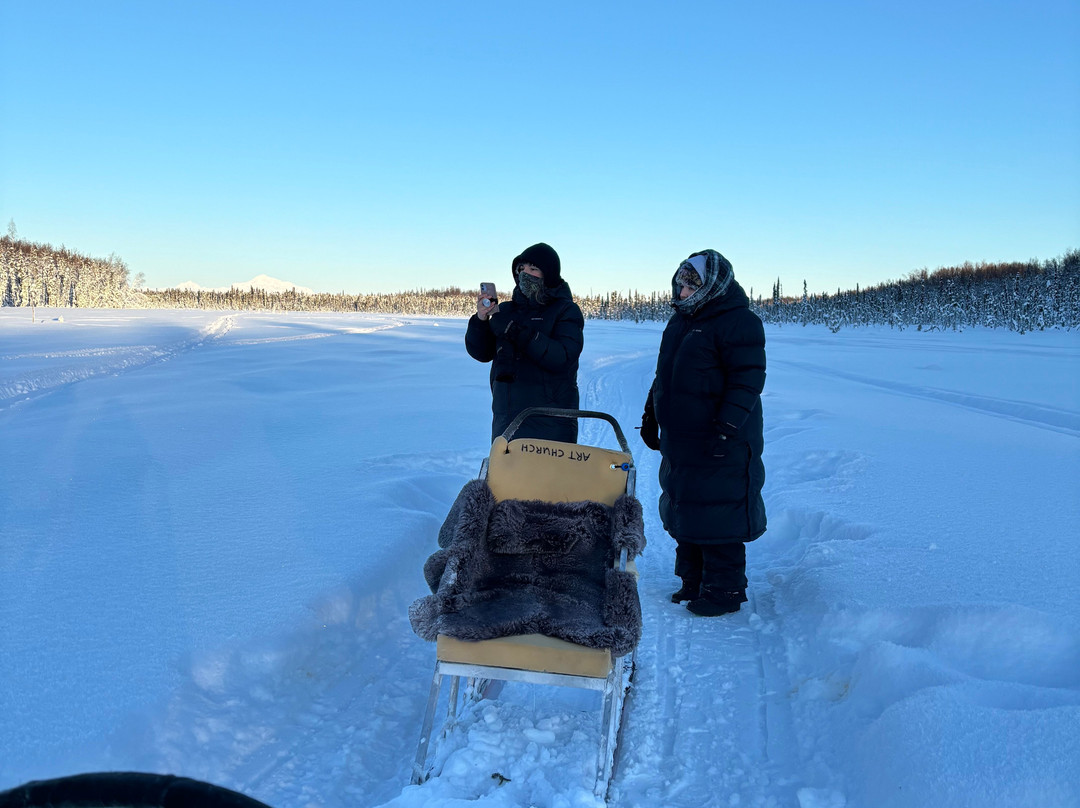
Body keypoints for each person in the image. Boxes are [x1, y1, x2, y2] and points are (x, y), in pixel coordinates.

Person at [639, 249, 766, 616]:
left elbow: (748, 380)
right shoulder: (680, 322)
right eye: (680, 284)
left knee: (719, 514)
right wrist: (651, 415)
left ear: (712, 285)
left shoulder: (738, 322)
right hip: (685, 439)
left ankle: (724, 590)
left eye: (690, 285)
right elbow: (665, 376)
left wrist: (727, 426)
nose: (681, 292)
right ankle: (692, 580)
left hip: (722, 439)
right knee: (688, 507)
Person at [465, 242, 584, 443]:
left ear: (549, 273)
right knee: (506, 475)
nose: (524, 274)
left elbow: (562, 357)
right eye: (520, 269)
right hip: (507, 419)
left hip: (550, 421)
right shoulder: (506, 310)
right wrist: (481, 320)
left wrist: (516, 331)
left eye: (533, 268)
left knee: (549, 475)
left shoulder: (566, 310)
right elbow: (481, 353)